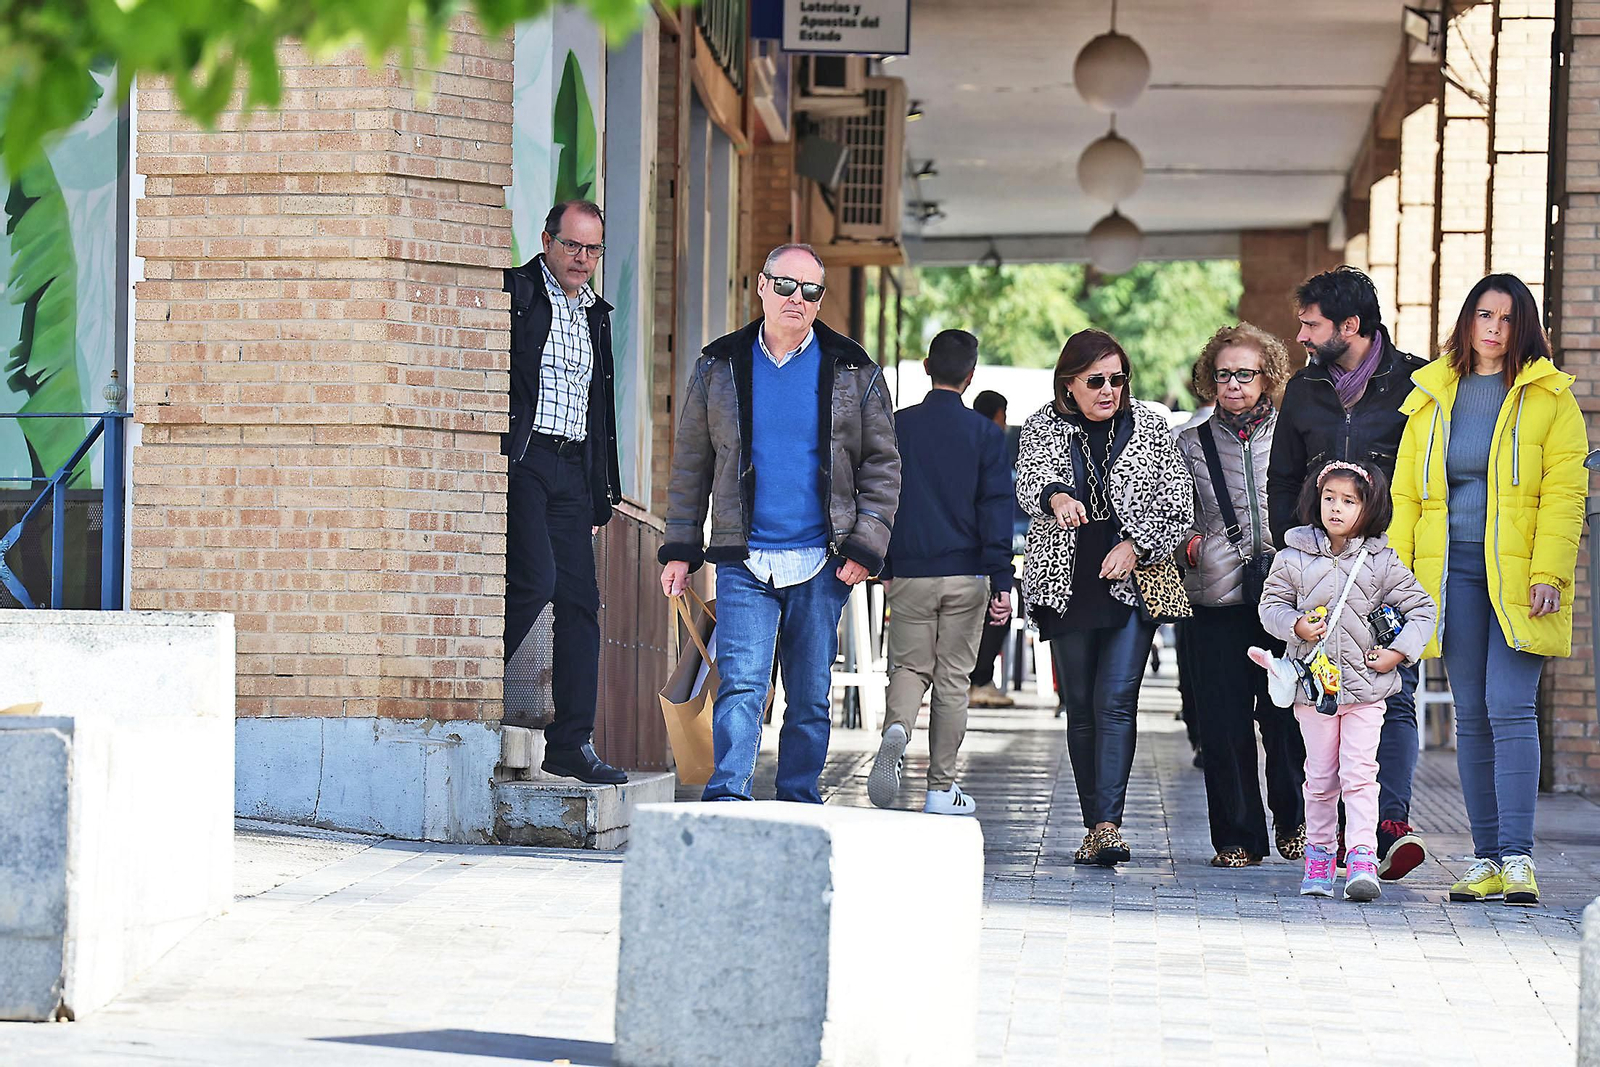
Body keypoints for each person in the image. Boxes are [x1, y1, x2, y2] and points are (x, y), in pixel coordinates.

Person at [658, 243, 900, 803]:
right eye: (786, 286)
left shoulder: (854, 369)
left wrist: (865, 545)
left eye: (811, 290)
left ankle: (798, 797)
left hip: (822, 559)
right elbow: (693, 459)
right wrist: (680, 547)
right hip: (745, 556)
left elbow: (883, 464)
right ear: (761, 287)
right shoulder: (719, 366)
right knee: (742, 683)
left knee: (811, 694)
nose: (797, 299)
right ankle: (727, 797)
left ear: (820, 299)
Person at [1389, 274, 1589, 906]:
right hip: (1452, 576)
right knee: (1472, 715)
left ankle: (1518, 858)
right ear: (1467, 322)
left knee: (1511, 707)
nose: (1494, 328)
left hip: (1522, 577)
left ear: (1523, 326)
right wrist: (1396, 581)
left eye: (1506, 317)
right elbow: (1404, 497)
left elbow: (1565, 493)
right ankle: (1483, 859)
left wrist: (1549, 574)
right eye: (1484, 315)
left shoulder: (1550, 398)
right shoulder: (1432, 397)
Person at [1266, 265, 1430, 880]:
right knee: (1323, 697)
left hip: (1388, 565)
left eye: (1311, 324)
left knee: (1396, 691)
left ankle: (1390, 824)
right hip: (1319, 570)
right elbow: (1283, 477)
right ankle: (1330, 838)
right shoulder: (1305, 391)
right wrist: (1295, 546)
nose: (1302, 336)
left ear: (1351, 326)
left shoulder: (1414, 382)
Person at [1015, 329, 1194, 866]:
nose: (1109, 390)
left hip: (1132, 580)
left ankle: (1108, 825)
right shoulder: (1042, 426)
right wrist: (1057, 495)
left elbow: (1177, 502)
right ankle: (1094, 823)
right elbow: (1028, 482)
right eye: (1096, 381)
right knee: (1082, 709)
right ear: (1070, 383)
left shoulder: (1152, 425)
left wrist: (1137, 546)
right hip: (1064, 578)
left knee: (1116, 702)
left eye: (1118, 379)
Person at [1257, 461, 1436, 901]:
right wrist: (1296, 625)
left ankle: (1361, 857)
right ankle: (1318, 855)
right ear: (1315, 501)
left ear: (1369, 507)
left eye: (1349, 501)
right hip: (1314, 693)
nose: (1336, 508)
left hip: (1367, 692)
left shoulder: (1381, 561)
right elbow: (1269, 607)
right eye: (1329, 498)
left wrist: (1397, 653)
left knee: (1360, 774)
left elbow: (1423, 610)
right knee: (1319, 778)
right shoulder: (1292, 557)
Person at [502, 200, 626, 785]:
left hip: (574, 469)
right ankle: (476, 685)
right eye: (573, 245)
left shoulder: (595, 313)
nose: (582, 259)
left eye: (593, 249)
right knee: (535, 581)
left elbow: (603, 410)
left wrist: (603, 492)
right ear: (547, 240)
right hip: (525, 460)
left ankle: (570, 745)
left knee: (581, 605)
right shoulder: (518, 294)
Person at [1175, 324, 1306, 866]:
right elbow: (1171, 509)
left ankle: (1296, 827)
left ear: (1267, 377)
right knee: (1224, 723)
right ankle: (1237, 838)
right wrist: (1188, 541)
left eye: (1245, 375)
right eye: (1223, 375)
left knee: (1286, 719)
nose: (1233, 385)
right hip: (1215, 599)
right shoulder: (1189, 442)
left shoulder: (1294, 434)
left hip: (1284, 599)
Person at [868, 332, 1013, 816]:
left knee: (909, 667)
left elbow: (881, 497)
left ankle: (898, 729)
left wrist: (885, 565)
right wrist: (1001, 578)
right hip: (967, 575)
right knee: (953, 680)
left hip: (910, 572)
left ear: (927, 367)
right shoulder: (986, 435)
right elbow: (995, 508)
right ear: (971, 376)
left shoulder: (897, 427)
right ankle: (939, 790)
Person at [967, 388, 1017, 709]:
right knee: (997, 613)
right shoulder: (993, 443)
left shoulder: (961, 438)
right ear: (999, 415)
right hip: (982, 551)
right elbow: (997, 505)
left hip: (955, 551)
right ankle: (979, 680)